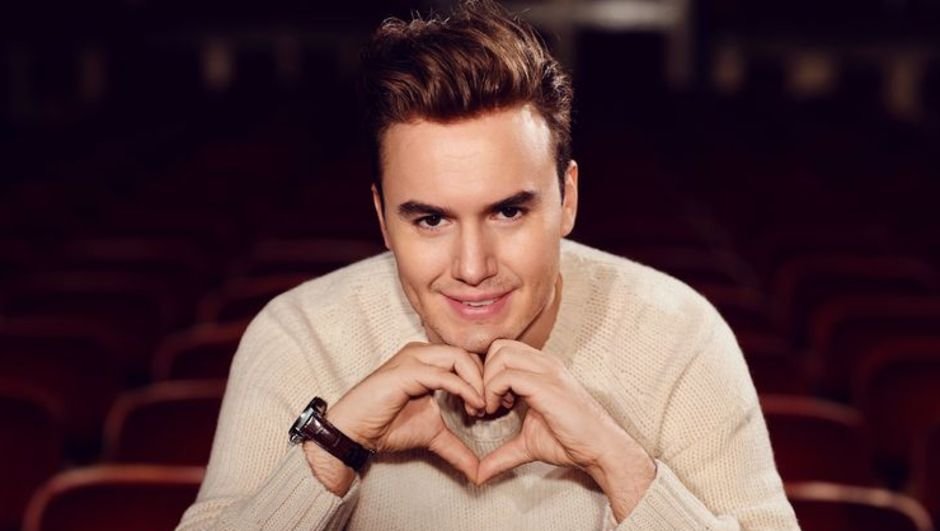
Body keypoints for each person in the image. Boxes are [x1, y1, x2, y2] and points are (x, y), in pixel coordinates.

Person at [178, 1, 799, 529]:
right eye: (431, 220)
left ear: (568, 199)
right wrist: (332, 446)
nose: (472, 267)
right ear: (382, 219)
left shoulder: (680, 335)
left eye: (508, 212)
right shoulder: (298, 334)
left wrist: (618, 462)